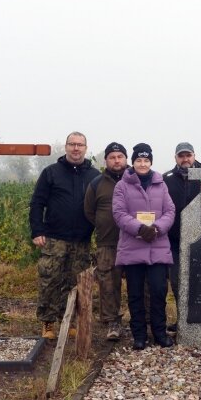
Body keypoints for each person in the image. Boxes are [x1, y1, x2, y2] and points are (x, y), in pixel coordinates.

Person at [29, 131, 100, 340]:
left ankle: (67, 321)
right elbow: (37, 203)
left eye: (80, 145)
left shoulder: (94, 175)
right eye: (72, 144)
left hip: (82, 239)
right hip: (54, 237)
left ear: (86, 148)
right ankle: (48, 322)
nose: (76, 148)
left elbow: (101, 206)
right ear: (66, 147)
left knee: (75, 283)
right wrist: (37, 230)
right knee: (50, 280)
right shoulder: (51, 172)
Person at [113, 143, 176, 350]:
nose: (142, 164)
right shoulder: (122, 185)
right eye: (139, 160)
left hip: (157, 246)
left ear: (151, 162)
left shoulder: (161, 184)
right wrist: (140, 229)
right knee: (135, 294)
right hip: (133, 246)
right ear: (133, 162)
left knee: (158, 292)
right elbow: (119, 213)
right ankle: (139, 335)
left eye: (146, 160)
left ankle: (159, 332)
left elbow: (170, 211)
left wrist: (156, 228)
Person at [84, 142, 128, 341]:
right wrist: (105, 224)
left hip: (135, 242)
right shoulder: (96, 184)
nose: (116, 160)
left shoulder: (135, 179)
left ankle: (143, 322)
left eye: (120, 157)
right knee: (108, 283)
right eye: (112, 157)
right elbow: (89, 211)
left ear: (126, 159)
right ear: (106, 160)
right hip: (107, 242)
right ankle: (112, 322)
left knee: (142, 283)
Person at [162, 142, 201, 332]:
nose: (185, 159)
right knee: (178, 281)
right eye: (181, 156)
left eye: (188, 155)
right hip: (175, 240)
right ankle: (183, 321)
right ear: (175, 157)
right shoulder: (167, 179)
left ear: (194, 156)